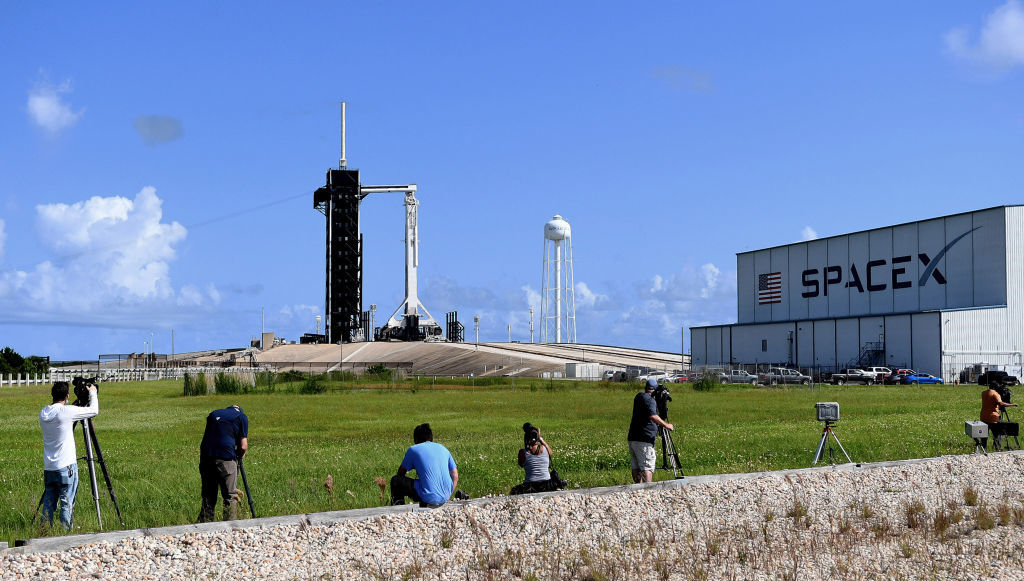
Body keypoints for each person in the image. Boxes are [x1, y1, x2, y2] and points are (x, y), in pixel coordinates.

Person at [39, 381, 99, 530]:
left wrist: (72, 405)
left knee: (49, 502)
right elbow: (94, 410)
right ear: (67, 396)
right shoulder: (67, 412)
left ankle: (44, 530)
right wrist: (93, 393)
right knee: (67, 502)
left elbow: (62, 412)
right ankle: (65, 533)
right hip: (66, 467)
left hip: (49, 467)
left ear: (52, 395)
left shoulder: (43, 412)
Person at [199, 404, 248, 521]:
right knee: (230, 496)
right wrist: (240, 455)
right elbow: (243, 446)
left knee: (208, 497)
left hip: (206, 457)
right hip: (225, 458)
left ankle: (205, 526)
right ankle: (229, 528)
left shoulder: (214, 414)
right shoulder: (241, 416)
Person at [390, 423, 458, 507]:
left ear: (416, 439)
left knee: (396, 480)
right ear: (431, 437)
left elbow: (401, 472)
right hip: (445, 497)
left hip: (428, 496)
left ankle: (398, 509)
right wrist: (448, 496)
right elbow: (455, 475)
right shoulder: (443, 448)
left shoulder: (413, 449)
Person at [628, 378, 674, 483]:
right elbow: (653, 416)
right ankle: (648, 489)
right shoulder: (650, 400)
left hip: (633, 437)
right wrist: (667, 425)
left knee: (636, 465)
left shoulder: (638, 397)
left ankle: (637, 489)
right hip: (644, 439)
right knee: (646, 465)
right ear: (654, 390)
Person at [510, 422, 566, 495]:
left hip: (530, 485)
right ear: (537, 438)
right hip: (547, 485)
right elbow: (550, 452)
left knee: (514, 491)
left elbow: (521, 464)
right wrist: (540, 438)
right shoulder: (546, 449)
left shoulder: (522, 452)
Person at [981, 382, 1018, 450]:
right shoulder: (995, 394)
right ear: (996, 388)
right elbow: (1001, 404)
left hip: (983, 417)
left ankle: (983, 449)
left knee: (984, 435)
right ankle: (997, 448)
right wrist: (1013, 404)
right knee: (997, 434)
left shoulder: (983, 393)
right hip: (993, 418)